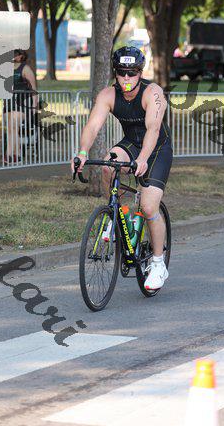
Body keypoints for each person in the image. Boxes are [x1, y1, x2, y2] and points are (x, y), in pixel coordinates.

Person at [72, 45, 173, 290]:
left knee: (148, 207)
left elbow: (153, 130)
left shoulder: (153, 93)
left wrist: (143, 159)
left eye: (132, 73)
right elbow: (93, 126)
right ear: (115, 73)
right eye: (121, 72)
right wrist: (82, 153)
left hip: (157, 149)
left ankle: (158, 263)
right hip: (131, 144)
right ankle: (118, 216)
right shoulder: (108, 95)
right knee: (108, 165)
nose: (126, 78)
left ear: (140, 73)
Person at [3, 49, 38, 163]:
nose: (12, 56)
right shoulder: (6, 68)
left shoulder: (25, 68)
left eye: (15, 54)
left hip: (22, 103)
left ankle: (8, 154)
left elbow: (33, 89)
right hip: (8, 103)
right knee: (11, 128)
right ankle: (17, 154)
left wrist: (34, 106)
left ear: (21, 56)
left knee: (13, 125)